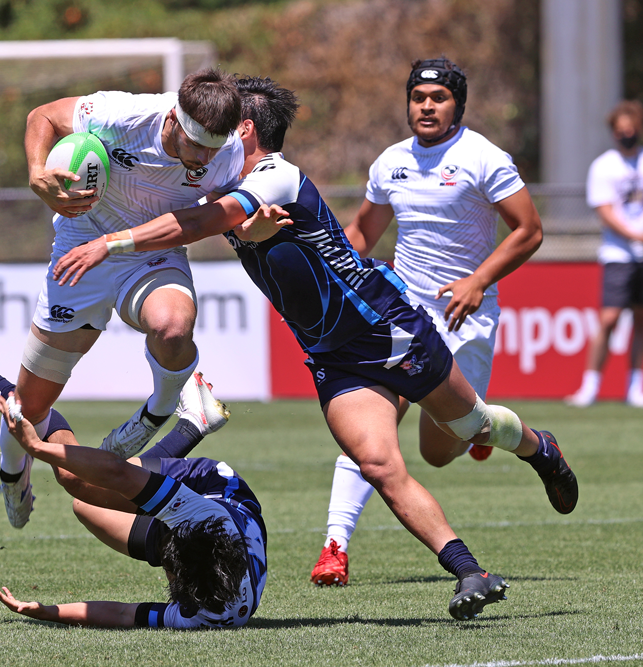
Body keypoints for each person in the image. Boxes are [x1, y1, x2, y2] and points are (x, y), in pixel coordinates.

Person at [51, 74, 578, 620]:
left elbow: (204, 221)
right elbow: (201, 206)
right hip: (332, 356)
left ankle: (540, 449)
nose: (212, 141)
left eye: (225, 130)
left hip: (389, 330)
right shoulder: (217, 180)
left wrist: (110, 242)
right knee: (377, 463)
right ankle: (469, 570)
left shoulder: (275, 175)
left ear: (246, 129)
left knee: (472, 428)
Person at [0, 68, 246, 530]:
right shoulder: (124, 115)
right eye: (195, 144)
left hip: (152, 253)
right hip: (81, 243)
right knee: (31, 406)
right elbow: (43, 116)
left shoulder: (227, 152)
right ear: (175, 118)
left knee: (173, 327)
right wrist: (38, 174)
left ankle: (161, 410)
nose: (202, 158)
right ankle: (12, 474)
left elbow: (224, 213)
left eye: (212, 149)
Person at [308, 58, 545, 587]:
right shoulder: (390, 162)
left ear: (458, 103)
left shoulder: (484, 158)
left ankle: (492, 430)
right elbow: (362, 233)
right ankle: (334, 546)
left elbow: (529, 230)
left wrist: (477, 281)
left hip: (466, 318)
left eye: (438, 97)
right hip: (400, 314)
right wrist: (321, 272)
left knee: (439, 453)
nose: (427, 106)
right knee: (371, 432)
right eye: (419, 97)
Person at [0, 350, 266, 629]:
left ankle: (194, 423)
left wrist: (49, 612)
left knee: (84, 505)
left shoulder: (199, 613)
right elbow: (113, 471)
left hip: (208, 539)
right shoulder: (201, 516)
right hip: (217, 490)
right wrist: (36, 448)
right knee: (74, 478)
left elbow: (126, 616)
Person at [565, 100, 643, 408]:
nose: (627, 134)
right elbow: (606, 211)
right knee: (609, 319)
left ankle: (636, 386)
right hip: (619, 255)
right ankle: (590, 385)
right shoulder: (604, 166)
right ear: (613, 132)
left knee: (641, 320)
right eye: (621, 129)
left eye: (632, 128)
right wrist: (636, 235)